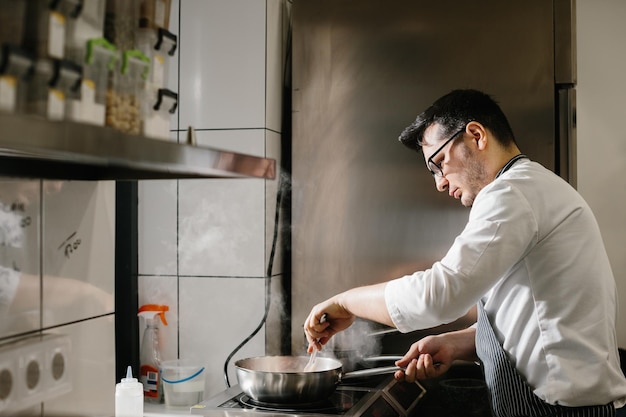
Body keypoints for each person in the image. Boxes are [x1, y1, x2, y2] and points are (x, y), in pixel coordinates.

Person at [303, 89, 626, 417]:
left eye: (439, 163)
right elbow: (531, 313)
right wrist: (458, 343)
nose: (440, 183)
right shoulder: (531, 188)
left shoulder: (511, 193)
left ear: (475, 135)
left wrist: (346, 302)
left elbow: (438, 295)